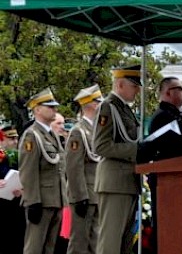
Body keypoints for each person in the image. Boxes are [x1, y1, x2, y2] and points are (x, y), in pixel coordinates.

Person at [94, 65, 153, 254]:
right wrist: (136, 150)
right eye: (134, 86)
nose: (138, 91)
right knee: (110, 242)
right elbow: (100, 146)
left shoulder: (123, 109)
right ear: (120, 84)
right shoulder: (108, 107)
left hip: (127, 181)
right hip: (114, 183)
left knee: (125, 242)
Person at [146, 77, 182, 252]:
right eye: (181, 88)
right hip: (170, 182)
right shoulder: (161, 117)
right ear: (168, 92)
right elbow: (171, 148)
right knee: (169, 231)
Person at [19, 87, 68, 254]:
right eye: (50, 106)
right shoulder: (32, 135)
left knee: (49, 247)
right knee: (34, 247)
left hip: (55, 200)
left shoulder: (51, 135)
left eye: (54, 106)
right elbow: (28, 171)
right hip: (41, 201)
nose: (54, 109)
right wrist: (33, 201)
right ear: (37, 109)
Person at [65, 85, 104, 254]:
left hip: (96, 193)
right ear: (92, 104)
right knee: (79, 243)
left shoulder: (96, 130)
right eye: (99, 102)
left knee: (95, 242)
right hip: (85, 195)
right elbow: (73, 167)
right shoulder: (78, 132)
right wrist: (79, 197)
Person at [0, 125, 25, 253]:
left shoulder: (19, 156)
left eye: (16, 138)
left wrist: (22, 189)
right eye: (11, 139)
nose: (15, 142)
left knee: (18, 239)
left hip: (16, 203)